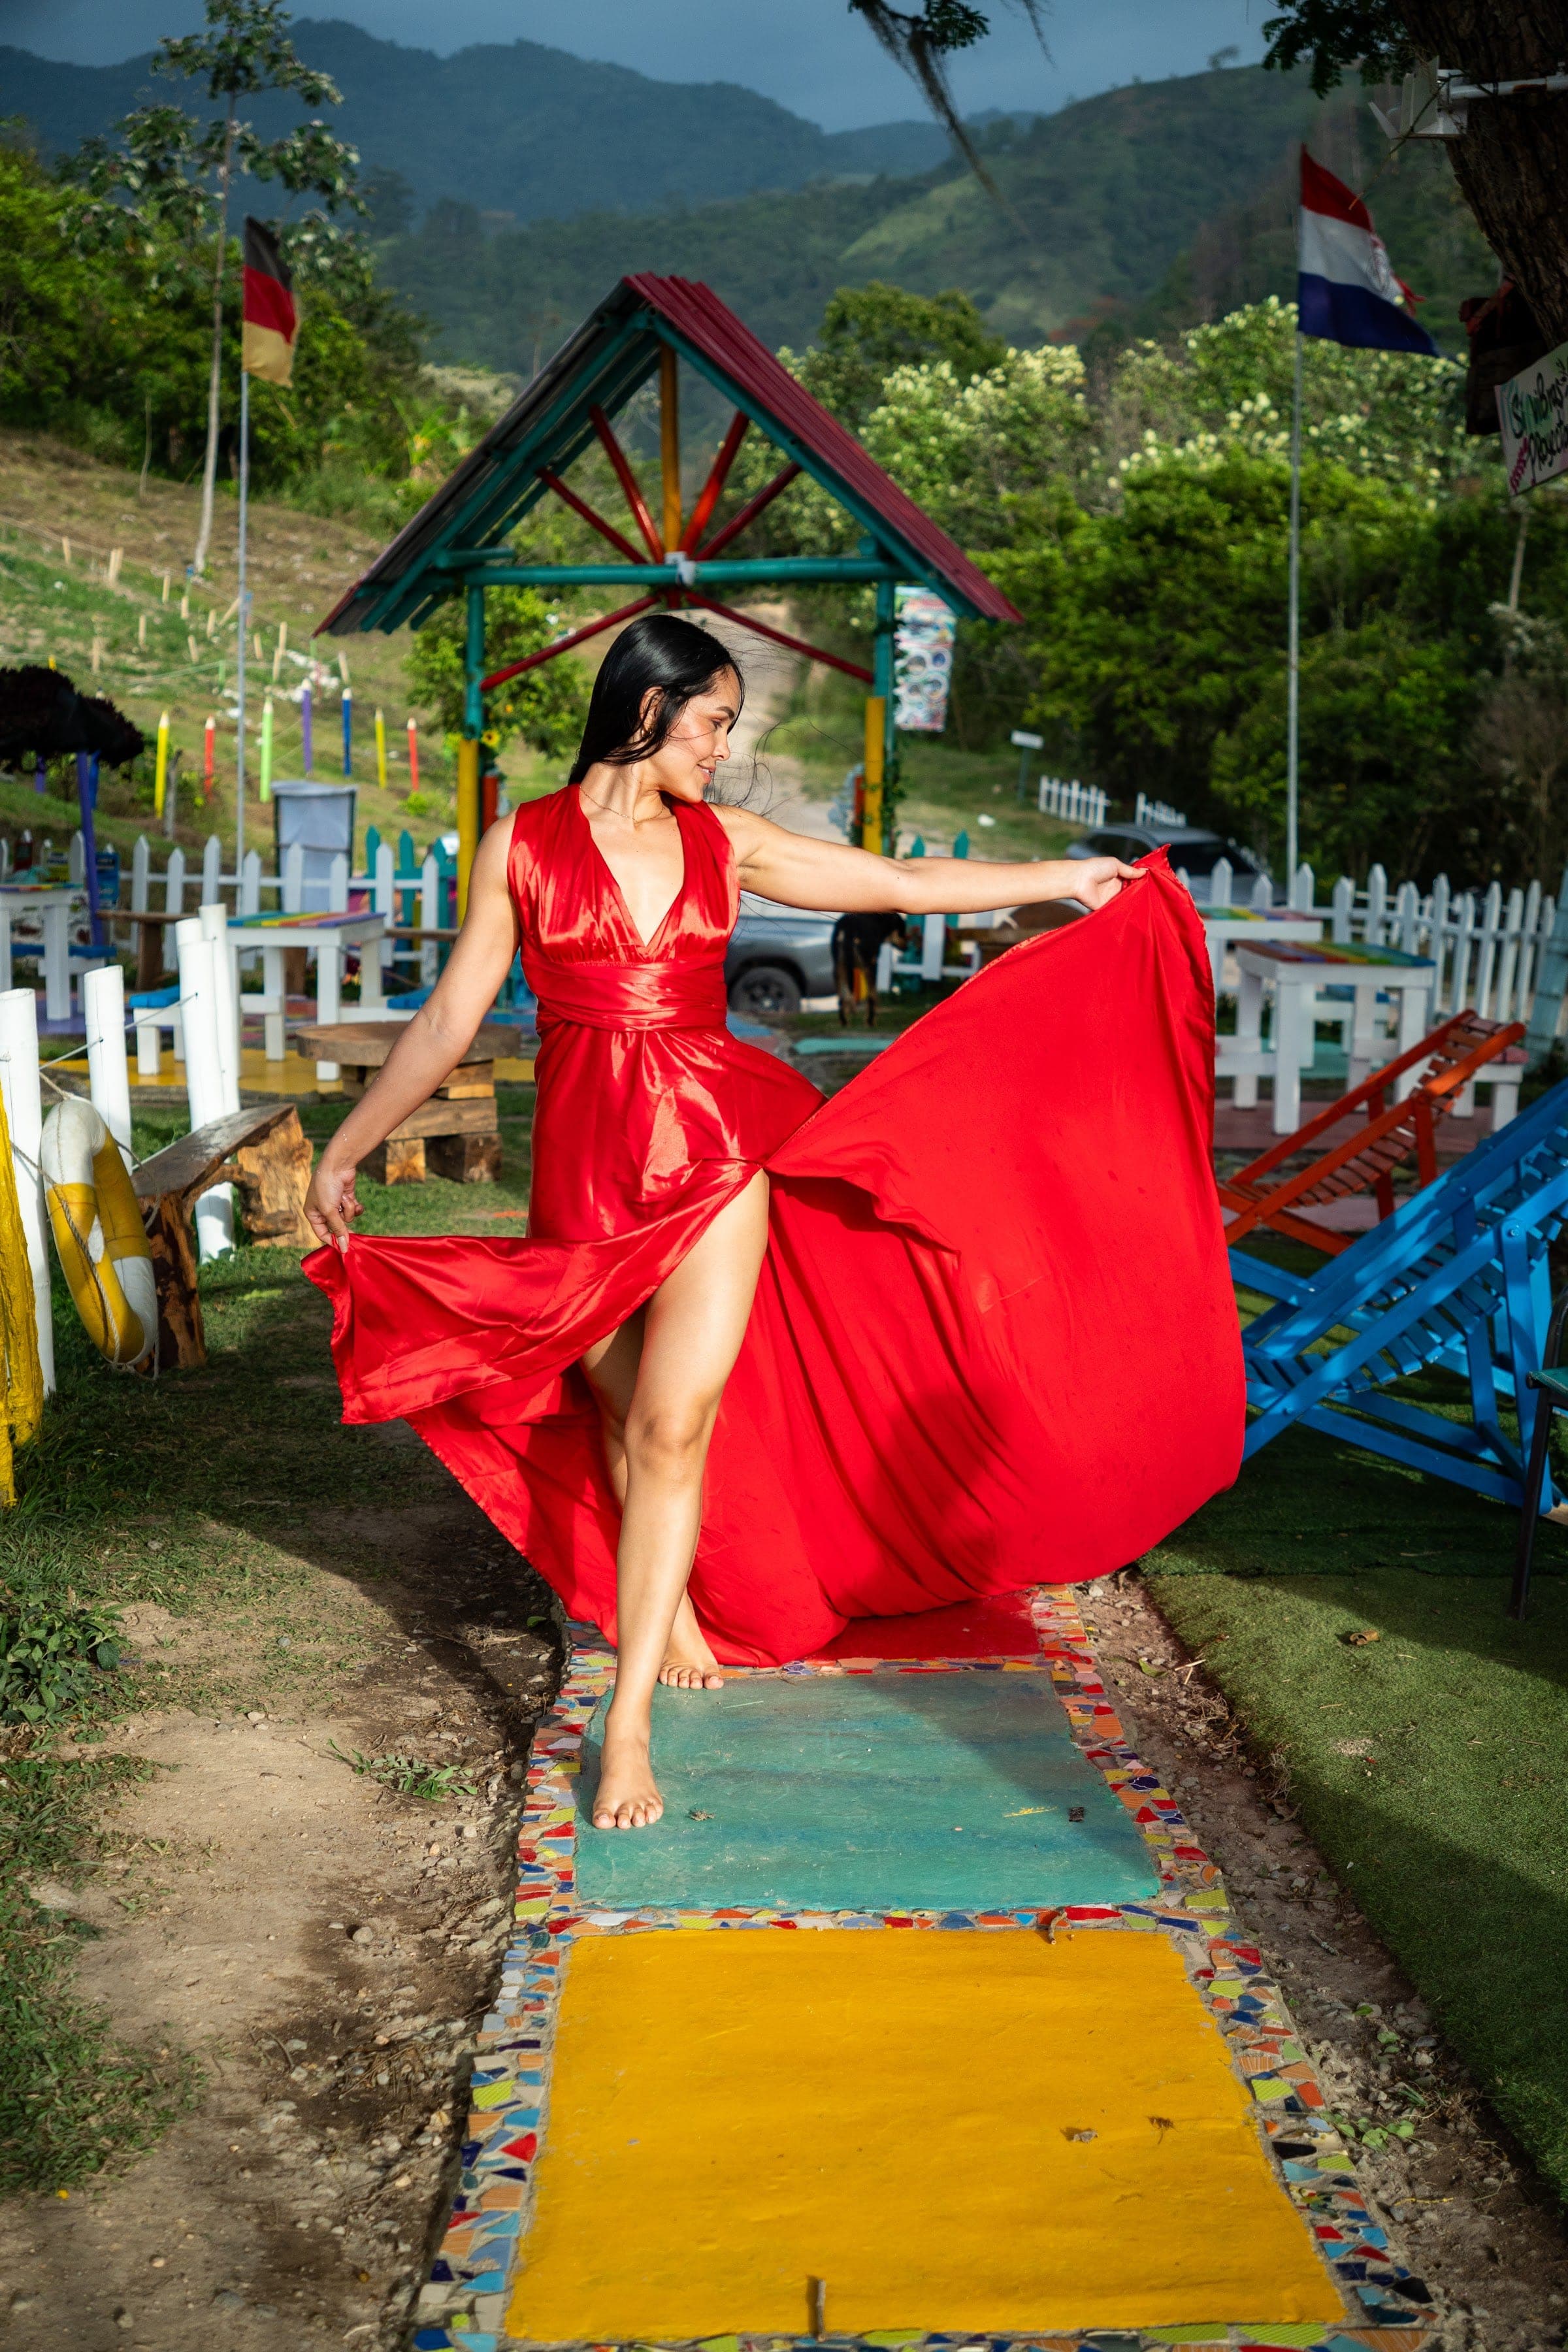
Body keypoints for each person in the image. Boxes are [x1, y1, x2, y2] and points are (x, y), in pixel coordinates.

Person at [304, 615, 1243, 1832]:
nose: (723, 747)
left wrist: (1065, 879)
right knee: (615, 1401)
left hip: (715, 1153)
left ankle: (629, 1721)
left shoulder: (726, 843)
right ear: (647, 709)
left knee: (674, 1423)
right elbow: (445, 1023)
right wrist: (347, 1142)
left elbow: (896, 880)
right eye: (712, 721)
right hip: (586, 1179)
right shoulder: (521, 848)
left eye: (731, 726)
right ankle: (673, 1599)